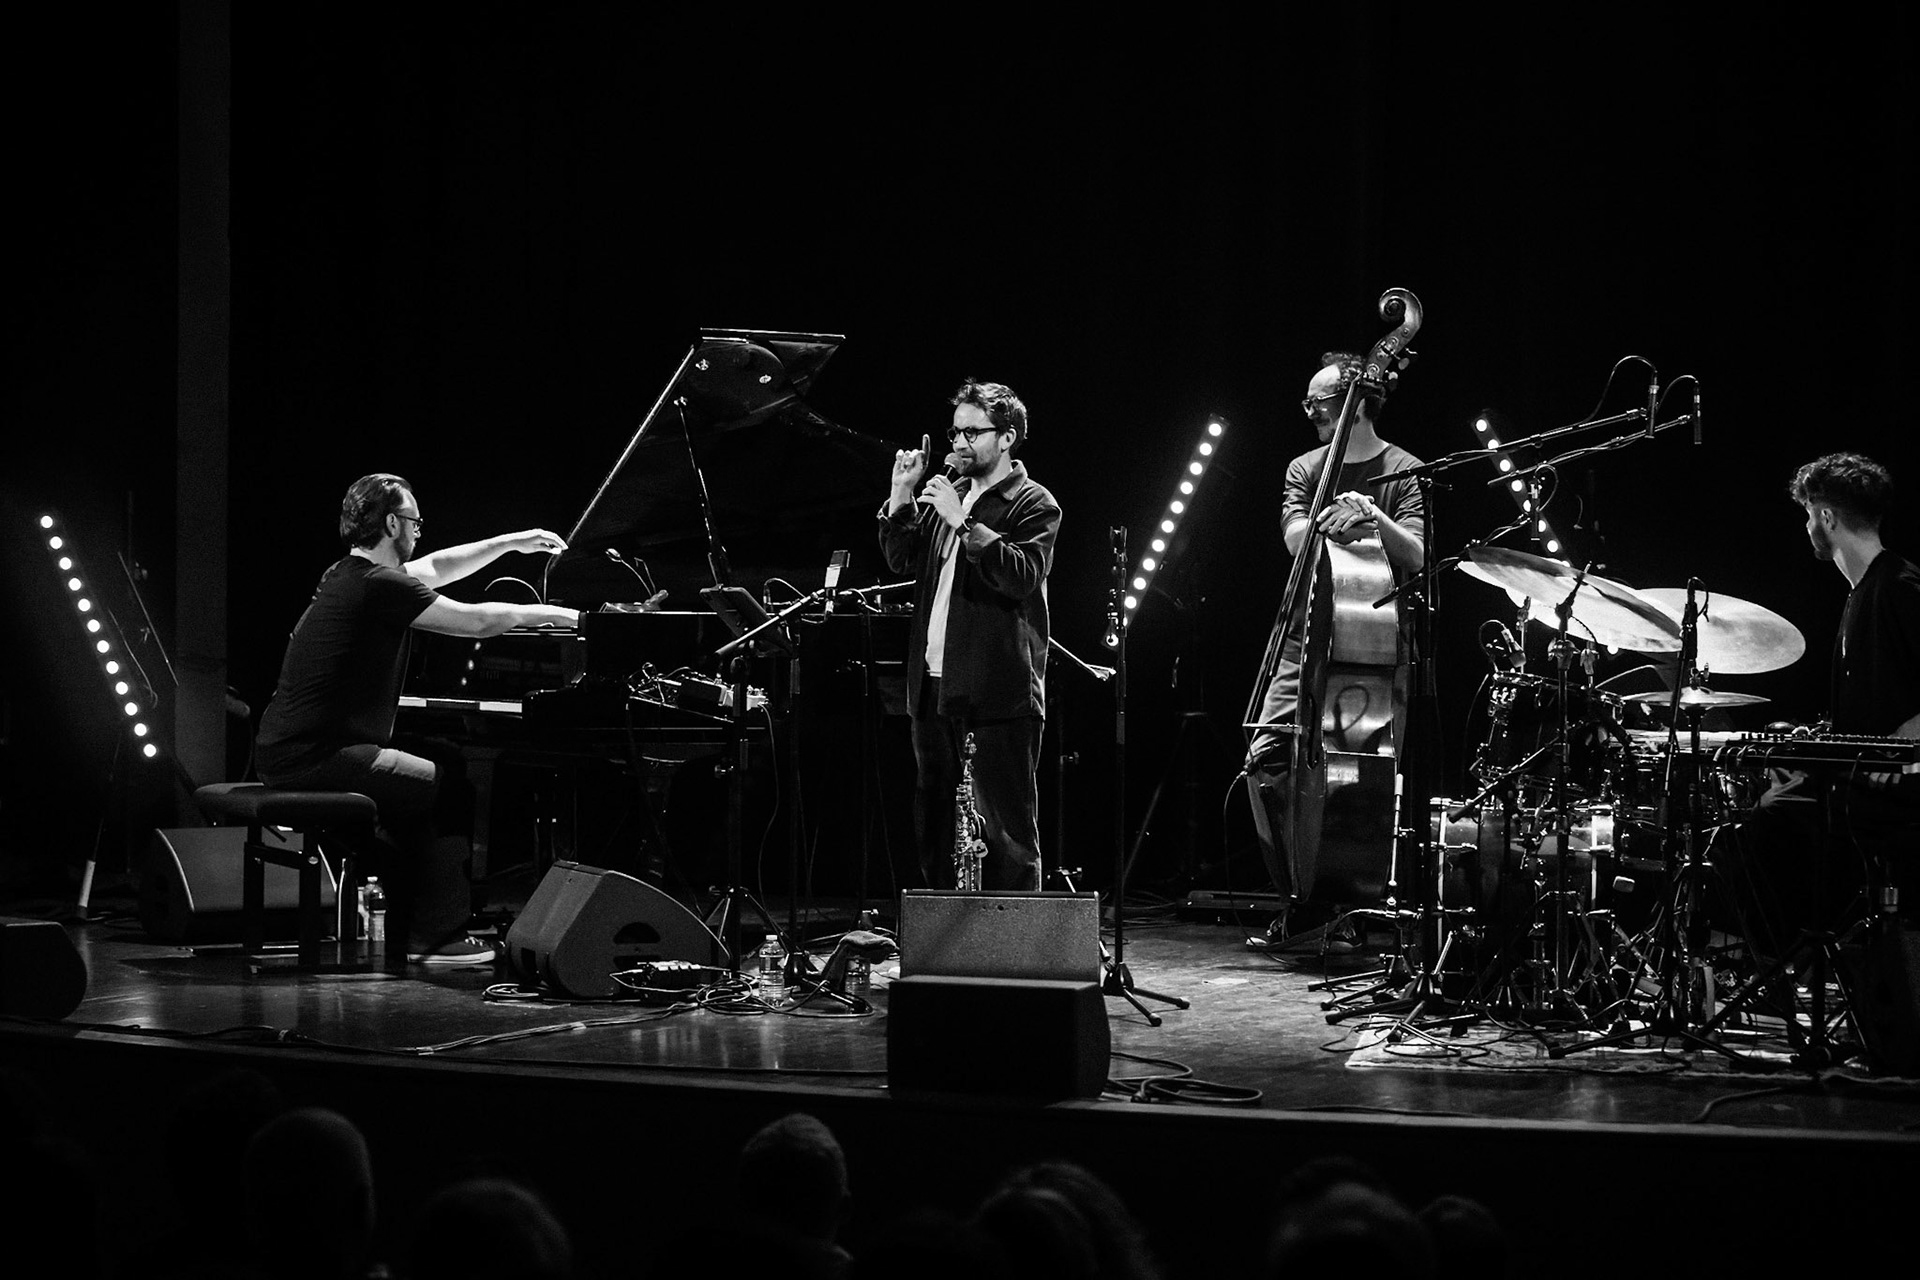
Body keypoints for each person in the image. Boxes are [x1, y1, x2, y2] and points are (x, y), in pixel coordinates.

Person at [255, 473, 580, 963]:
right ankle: (436, 934)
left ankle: (407, 918)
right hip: (313, 758)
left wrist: (513, 542)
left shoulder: (348, 574)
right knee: (442, 784)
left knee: (440, 764)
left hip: (289, 750)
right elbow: (479, 621)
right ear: (391, 523)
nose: (419, 531)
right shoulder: (379, 586)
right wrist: (557, 615)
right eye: (414, 521)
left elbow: (439, 564)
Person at [1243, 352, 1426, 947]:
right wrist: (1328, 520)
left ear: (1355, 403)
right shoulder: (1306, 467)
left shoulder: (1404, 469)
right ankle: (1298, 896)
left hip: (1370, 647)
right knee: (1266, 761)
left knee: (1358, 781)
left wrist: (1373, 514)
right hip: (1302, 642)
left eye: (1318, 402)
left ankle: (1351, 908)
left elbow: (1417, 556)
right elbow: (1296, 536)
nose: (1311, 412)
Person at [1716, 454, 1920, 968]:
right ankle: (1789, 963)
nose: (1806, 526)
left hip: (1895, 792)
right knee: (1765, 808)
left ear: (1827, 518)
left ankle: (1775, 967)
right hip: (1862, 778)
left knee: (1759, 831)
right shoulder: (1863, 593)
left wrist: (1907, 740)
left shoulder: (1898, 586)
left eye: (1808, 514)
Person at [879, 379, 1061, 891]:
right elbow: (901, 559)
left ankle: (1015, 951)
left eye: (971, 433)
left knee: (1004, 826)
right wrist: (902, 495)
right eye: (954, 432)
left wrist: (964, 523)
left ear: (1006, 437)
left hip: (997, 689)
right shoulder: (950, 494)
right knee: (935, 819)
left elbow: (1020, 576)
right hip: (935, 684)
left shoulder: (1033, 502)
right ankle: (938, 942)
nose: (958, 443)